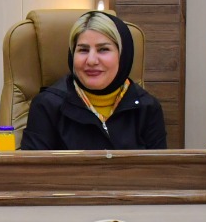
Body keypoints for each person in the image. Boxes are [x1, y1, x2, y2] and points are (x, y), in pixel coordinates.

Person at [20, 10, 166, 151]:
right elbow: (34, 167)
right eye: (83, 50)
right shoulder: (47, 106)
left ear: (123, 55)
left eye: (103, 49)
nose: (91, 60)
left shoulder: (147, 108)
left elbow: (159, 167)